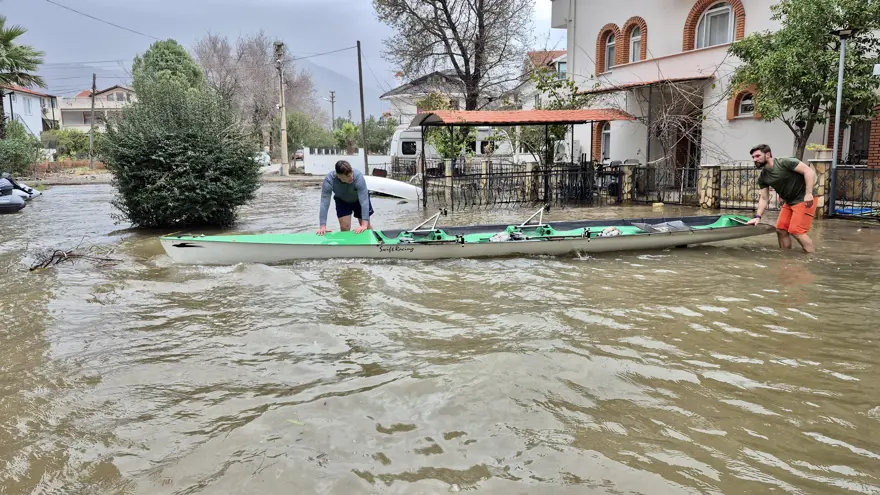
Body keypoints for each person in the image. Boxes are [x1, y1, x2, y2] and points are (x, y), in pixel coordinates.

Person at [746, 144, 817, 253]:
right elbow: (764, 198)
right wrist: (758, 217)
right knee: (781, 229)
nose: (755, 159)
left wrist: (808, 194)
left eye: (758, 156)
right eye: (753, 157)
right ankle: (785, 257)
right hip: (789, 201)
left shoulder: (785, 162)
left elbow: (809, 172)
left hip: (804, 198)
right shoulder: (763, 177)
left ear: (768, 154)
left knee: (796, 231)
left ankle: (812, 257)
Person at [317, 160, 374, 235]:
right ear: (338, 176)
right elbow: (324, 203)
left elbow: (364, 202)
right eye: (347, 176)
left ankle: (374, 240)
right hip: (342, 200)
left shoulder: (358, 176)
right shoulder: (329, 180)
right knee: (345, 226)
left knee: (366, 226)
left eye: (351, 174)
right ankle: (346, 242)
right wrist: (322, 226)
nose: (351, 177)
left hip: (359, 200)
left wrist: (364, 225)